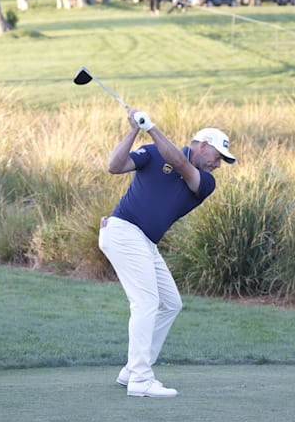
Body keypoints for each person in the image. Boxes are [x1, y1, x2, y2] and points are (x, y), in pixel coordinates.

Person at [99, 108, 236, 398]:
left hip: (145, 242)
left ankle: (132, 370)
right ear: (202, 145)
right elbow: (114, 165)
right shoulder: (152, 152)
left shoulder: (205, 181)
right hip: (124, 231)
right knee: (146, 302)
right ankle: (140, 379)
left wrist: (152, 126)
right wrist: (135, 129)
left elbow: (180, 163)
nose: (219, 164)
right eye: (218, 157)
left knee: (170, 303)